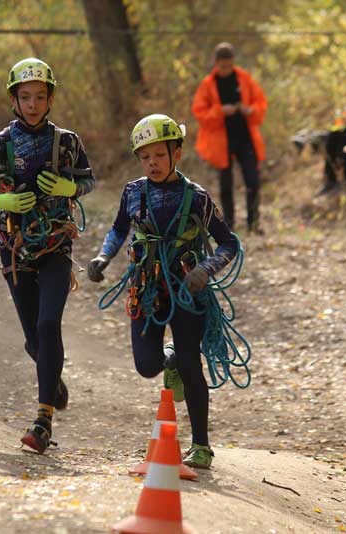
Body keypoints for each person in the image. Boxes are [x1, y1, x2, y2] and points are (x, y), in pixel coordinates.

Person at [86, 114, 240, 469]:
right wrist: (102, 257)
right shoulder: (133, 192)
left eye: (159, 154)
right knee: (146, 366)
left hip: (188, 292)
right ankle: (166, 358)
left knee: (190, 364)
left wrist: (206, 269)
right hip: (146, 289)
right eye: (145, 157)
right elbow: (117, 230)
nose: (152, 163)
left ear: (177, 152)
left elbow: (229, 244)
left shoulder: (197, 198)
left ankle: (201, 445)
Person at [0, 58, 95, 454]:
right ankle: (52, 380)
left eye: (40, 96)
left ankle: (42, 421)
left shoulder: (68, 142)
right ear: (14, 99)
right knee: (34, 341)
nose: (34, 104)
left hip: (56, 246)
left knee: (47, 325)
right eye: (26, 97)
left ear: (51, 98)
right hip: (14, 250)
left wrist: (68, 189)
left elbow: (89, 180)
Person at [192, 42, 268, 233]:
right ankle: (230, 224)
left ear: (233, 62)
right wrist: (220, 111)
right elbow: (200, 114)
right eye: (222, 66)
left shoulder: (244, 78)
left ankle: (253, 222)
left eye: (229, 65)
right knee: (226, 185)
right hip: (221, 141)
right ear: (216, 63)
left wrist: (249, 109)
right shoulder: (208, 85)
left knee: (253, 181)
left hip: (245, 138)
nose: (226, 69)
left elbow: (260, 103)